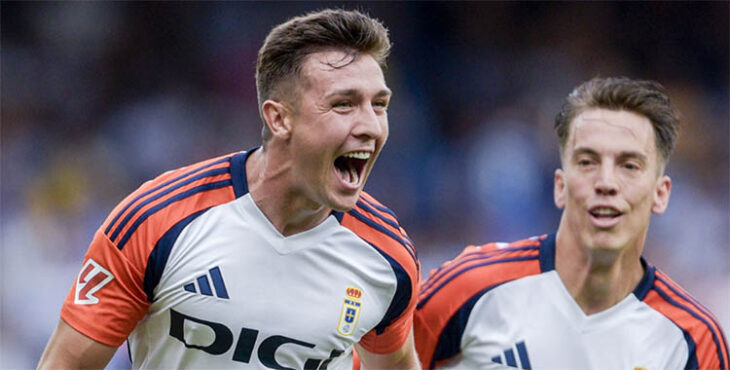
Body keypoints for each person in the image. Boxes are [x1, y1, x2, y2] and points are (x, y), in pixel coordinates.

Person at [38, 9, 421, 369]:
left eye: (379, 104)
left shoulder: (387, 259)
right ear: (279, 118)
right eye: (344, 104)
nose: (371, 126)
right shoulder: (157, 221)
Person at [413, 77, 729, 369]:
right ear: (560, 186)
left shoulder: (692, 340)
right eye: (587, 162)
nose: (606, 182)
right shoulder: (468, 289)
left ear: (660, 194)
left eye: (629, 165)